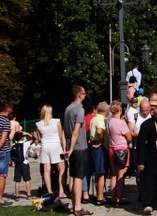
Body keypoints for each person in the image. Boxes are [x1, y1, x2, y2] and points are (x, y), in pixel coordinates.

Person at [63, 85, 92, 216]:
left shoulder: (68, 109)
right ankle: (78, 207)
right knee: (79, 177)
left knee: (73, 177)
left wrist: (67, 148)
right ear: (79, 95)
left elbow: (64, 130)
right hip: (79, 147)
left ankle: (74, 204)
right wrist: (71, 147)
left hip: (71, 147)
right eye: (84, 93)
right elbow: (76, 131)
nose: (85, 96)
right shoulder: (79, 110)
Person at [35, 104, 67, 199]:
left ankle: (49, 191)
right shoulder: (56, 121)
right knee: (61, 168)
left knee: (46, 170)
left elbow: (39, 138)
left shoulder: (38, 124)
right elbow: (61, 135)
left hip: (45, 146)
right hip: (55, 145)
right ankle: (61, 190)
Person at [106, 100, 132, 207]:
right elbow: (129, 136)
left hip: (112, 148)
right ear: (120, 110)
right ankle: (119, 198)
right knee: (121, 175)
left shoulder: (109, 122)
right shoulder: (121, 123)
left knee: (114, 174)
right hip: (121, 149)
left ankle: (112, 196)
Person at [11, 131, 32, 201]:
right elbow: (35, 139)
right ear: (22, 137)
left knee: (17, 180)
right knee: (27, 179)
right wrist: (28, 134)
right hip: (24, 163)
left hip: (17, 164)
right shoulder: (25, 144)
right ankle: (28, 194)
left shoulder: (13, 145)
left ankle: (17, 195)